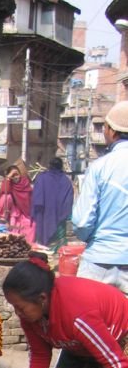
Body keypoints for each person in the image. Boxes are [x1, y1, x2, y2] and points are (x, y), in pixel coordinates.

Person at [2, 254, 128, 368]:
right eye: (14, 306)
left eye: (20, 307)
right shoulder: (29, 316)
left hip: (117, 342)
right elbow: (40, 353)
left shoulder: (78, 315)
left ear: (42, 298)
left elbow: (115, 363)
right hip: (79, 345)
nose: (17, 313)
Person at [72, 101, 128, 294]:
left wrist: (92, 238)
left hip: (99, 262)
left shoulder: (100, 167)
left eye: (104, 127)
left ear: (112, 131)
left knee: (87, 319)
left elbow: (82, 222)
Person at [30, 157, 74, 250]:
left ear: (50, 166)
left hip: (43, 214)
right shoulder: (66, 180)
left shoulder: (42, 177)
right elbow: (69, 201)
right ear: (61, 167)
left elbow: (36, 197)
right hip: (60, 215)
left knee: (42, 237)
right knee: (58, 240)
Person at [0, 164, 36, 243]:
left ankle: (28, 245)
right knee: (7, 196)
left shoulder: (25, 183)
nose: (16, 176)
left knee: (32, 225)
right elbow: (5, 192)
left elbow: (30, 199)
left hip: (25, 212)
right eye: (13, 175)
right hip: (11, 212)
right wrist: (9, 177)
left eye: (17, 174)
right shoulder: (8, 183)